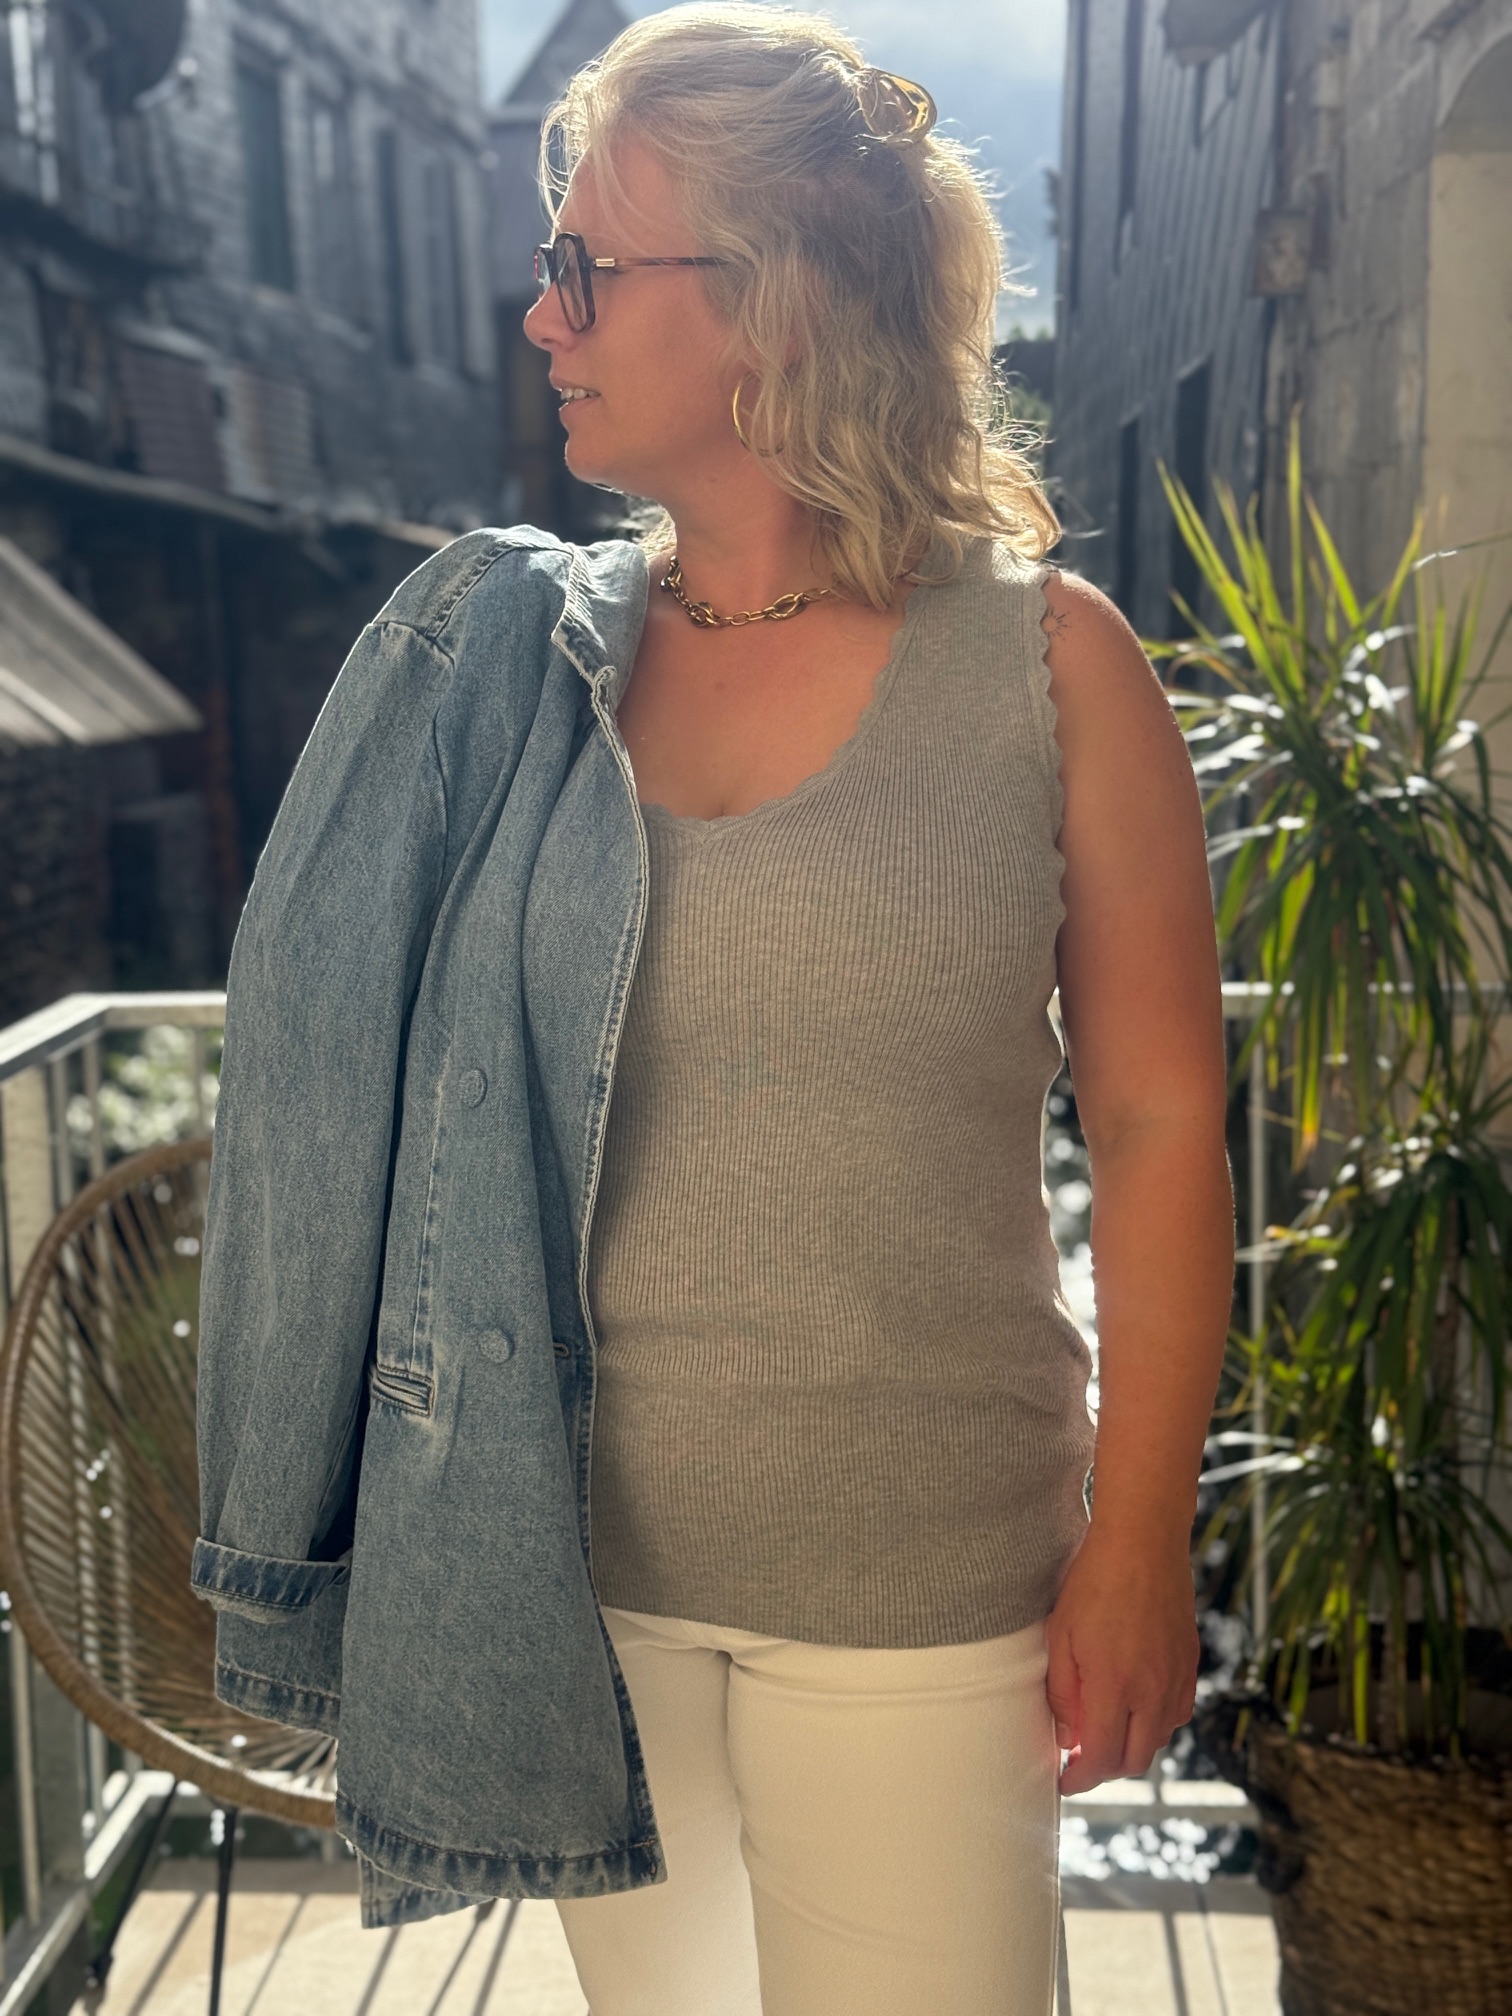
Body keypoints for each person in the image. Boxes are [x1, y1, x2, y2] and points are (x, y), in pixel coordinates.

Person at [191, 5, 1233, 2010]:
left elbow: (1161, 1128)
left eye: (584, 265)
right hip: (560, 1579)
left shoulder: (1053, 668)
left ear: (770, 293)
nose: (539, 316)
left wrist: (1139, 1538)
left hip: (926, 1572)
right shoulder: (523, 677)